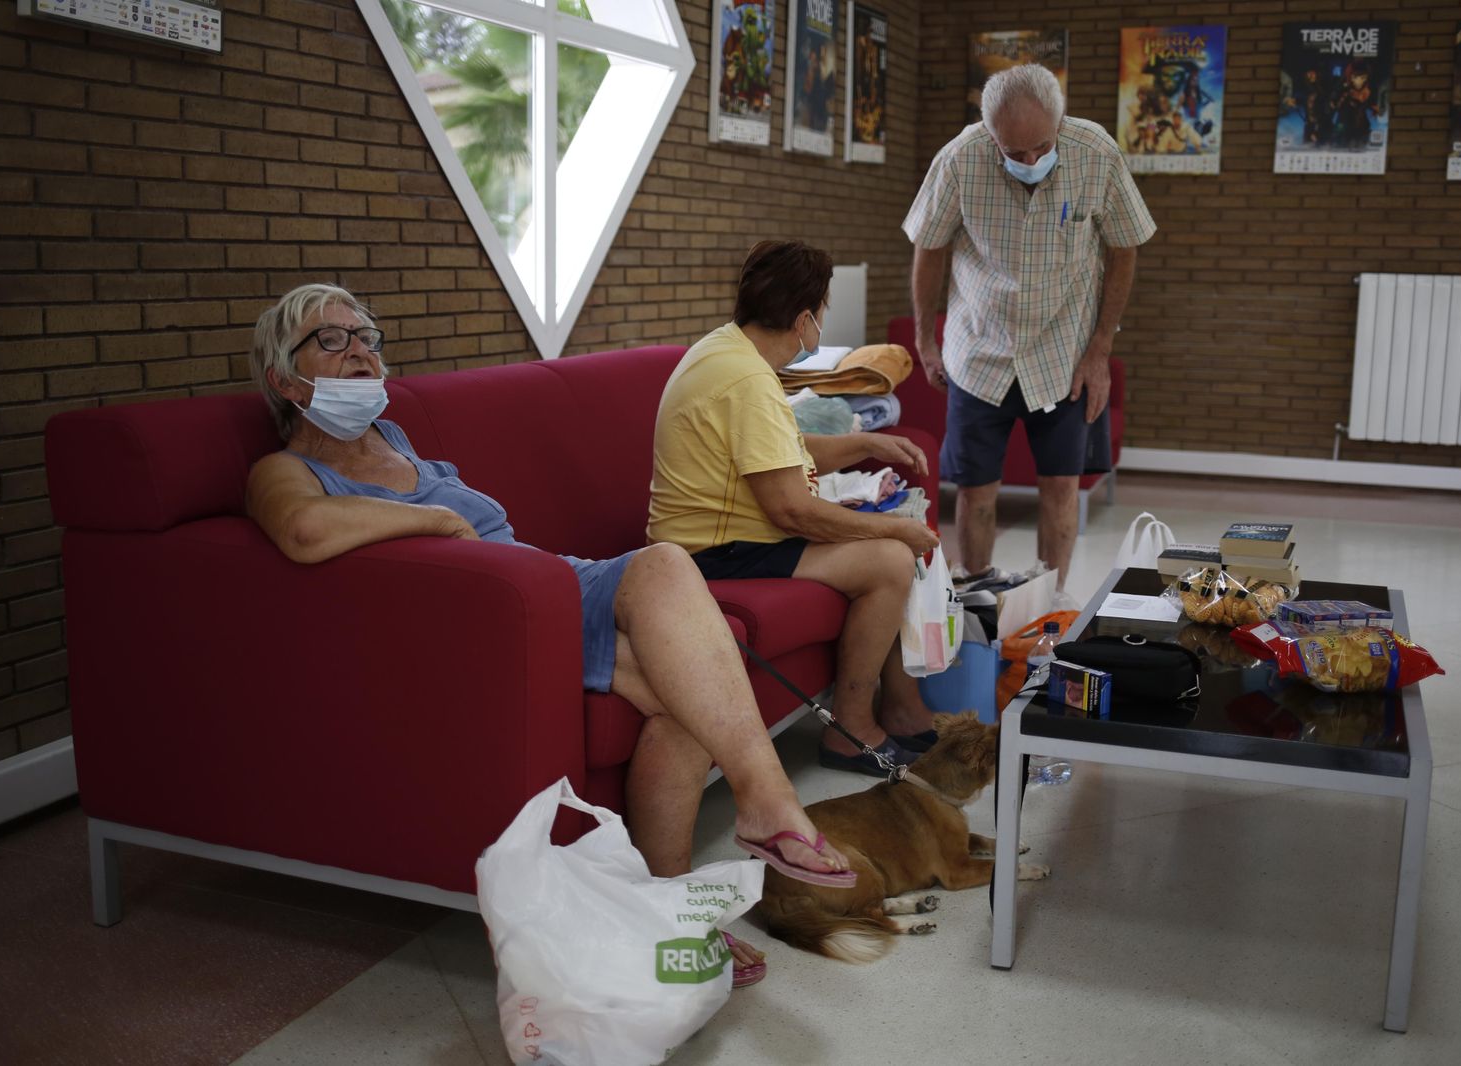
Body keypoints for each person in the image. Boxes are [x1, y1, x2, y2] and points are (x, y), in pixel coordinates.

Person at [244, 283, 855, 983]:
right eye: (331, 339)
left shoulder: (392, 437)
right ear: (282, 378)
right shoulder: (284, 470)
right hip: (504, 621)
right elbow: (301, 529)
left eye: (367, 338)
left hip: (549, 587)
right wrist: (438, 522)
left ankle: (666, 913)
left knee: (681, 697)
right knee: (663, 567)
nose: (360, 351)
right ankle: (766, 806)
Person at [647, 240, 941, 778]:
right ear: (805, 318)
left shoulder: (729, 351)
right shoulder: (747, 380)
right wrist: (892, 529)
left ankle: (900, 707)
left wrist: (867, 444)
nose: (821, 324)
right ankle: (853, 729)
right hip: (714, 552)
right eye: (823, 312)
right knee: (892, 559)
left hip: (727, 537)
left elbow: (786, 455)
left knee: (898, 538)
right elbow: (792, 511)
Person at [904, 63, 1156, 590]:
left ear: (1060, 124)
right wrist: (926, 340)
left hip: (1063, 353)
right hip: (980, 351)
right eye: (1014, 152)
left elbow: (1124, 248)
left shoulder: (1095, 152)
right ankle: (975, 598)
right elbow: (929, 248)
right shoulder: (960, 158)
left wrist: (1100, 349)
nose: (1031, 161)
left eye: (1042, 147)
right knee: (974, 490)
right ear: (990, 132)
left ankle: (1050, 606)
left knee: (1061, 486)